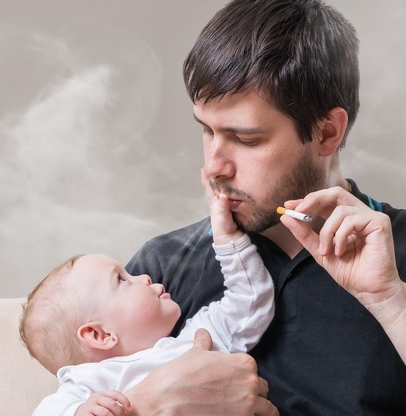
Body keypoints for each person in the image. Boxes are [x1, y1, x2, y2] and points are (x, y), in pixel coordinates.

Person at [118, 0, 406, 415]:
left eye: (245, 139)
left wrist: (392, 303)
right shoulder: (159, 274)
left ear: (327, 132)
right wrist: (150, 404)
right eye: (207, 131)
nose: (215, 166)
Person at [20, 171, 274, 416]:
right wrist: (78, 411)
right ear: (100, 334)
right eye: (122, 279)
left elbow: (250, 301)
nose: (143, 276)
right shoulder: (89, 383)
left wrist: (228, 240)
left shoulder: (196, 341)